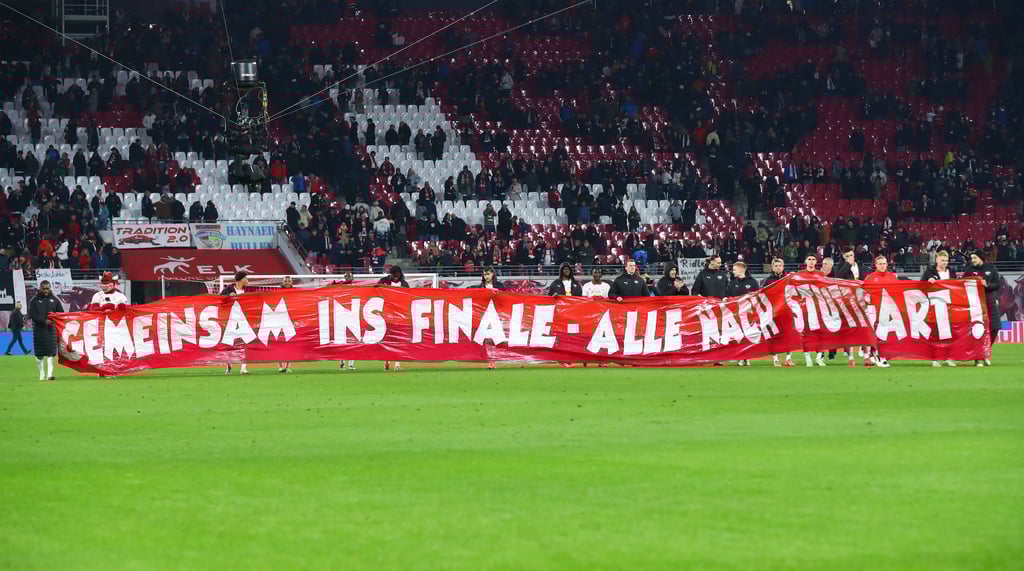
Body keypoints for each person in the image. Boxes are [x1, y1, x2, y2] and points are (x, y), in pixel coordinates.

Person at [921, 251, 958, 367]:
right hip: (934, 307)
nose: (944, 263)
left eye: (946, 260)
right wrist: (928, 282)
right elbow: (920, 286)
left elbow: (957, 286)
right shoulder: (929, 272)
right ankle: (935, 359)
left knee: (949, 334)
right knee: (936, 334)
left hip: (949, 307)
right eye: (942, 260)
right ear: (937, 259)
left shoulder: (952, 272)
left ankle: (948, 357)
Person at [962, 250, 1000, 367]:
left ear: (981, 258)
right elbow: (962, 283)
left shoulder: (991, 268)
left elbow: (997, 284)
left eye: (974, 258)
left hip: (989, 302)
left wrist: (986, 284)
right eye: (971, 258)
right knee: (977, 330)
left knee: (995, 327)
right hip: (975, 304)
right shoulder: (969, 270)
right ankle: (978, 358)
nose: (972, 260)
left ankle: (984, 352)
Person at [833, 247, 870, 366]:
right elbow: (839, 276)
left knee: (864, 327)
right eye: (847, 256)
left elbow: (867, 280)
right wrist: (847, 265)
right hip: (847, 301)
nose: (850, 257)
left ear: (854, 255)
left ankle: (866, 357)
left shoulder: (861, 266)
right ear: (844, 257)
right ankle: (850, 358)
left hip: (861, 300)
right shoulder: (840, 267)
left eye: (851, 255)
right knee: (849, 329)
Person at [863, 256, 899, 368]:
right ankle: (875, 355)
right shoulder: (870, 277)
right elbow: (864, 292)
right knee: (874, 333)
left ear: (887, 264)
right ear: (876, 265)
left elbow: (898, 292)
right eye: (880, 263)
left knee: (885, 334)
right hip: (873, 309)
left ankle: (877, 354)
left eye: (884, 263)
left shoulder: (892, 277)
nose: (882, 265)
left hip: (887, 309)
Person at [547, 263, 583, 368]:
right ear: (561, 271)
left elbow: (580, 298)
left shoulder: (576, 283)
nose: (566, 271)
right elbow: (548, 298)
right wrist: (553, 297)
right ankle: (562, 360)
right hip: (560, 314)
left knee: (572, 336)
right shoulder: (555, 284)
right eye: (564, 269)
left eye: (568, 269)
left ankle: (571, 358)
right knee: (561, 337)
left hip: (574, 314)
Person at [761, 258, 793, 366]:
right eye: (776, 266)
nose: (778, 267)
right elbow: (763, 296)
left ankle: (788, 358)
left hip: (787, 310)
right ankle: (775, 359)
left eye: (780, 265)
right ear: (772, 267)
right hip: (774, 311)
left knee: (789, 334)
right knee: (774, 335)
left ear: (783, 267)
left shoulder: (789, 279)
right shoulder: (767, 280)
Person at [29, 280, 64, 380]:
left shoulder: (54, 300)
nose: (46, 290)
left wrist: (54, 319)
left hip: (50, 330)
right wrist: (44, 321)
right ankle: (41, 373)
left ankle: (49, 374)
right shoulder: (34, 301)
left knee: (50, 353)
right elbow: (33, 315)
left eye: (48, 288)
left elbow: (60, 312)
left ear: (50, 288)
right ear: (40, 288)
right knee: (39, 354)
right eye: (44, 289)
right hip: (39, 330)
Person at [378, 266, 410, 371]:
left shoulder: (404, 284)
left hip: (399, 316)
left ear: (400, 274)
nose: (395, 278)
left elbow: (410, 297)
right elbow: (376, 290)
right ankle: (387, 361)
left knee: (399, 340)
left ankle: (397, 363)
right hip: (386, 315)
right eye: (394, 275)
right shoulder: (384, 281)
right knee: (387, 339)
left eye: (397, 275)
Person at [728, 261, 760, 366]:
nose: (733, 271)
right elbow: (727, 297)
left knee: (748, 336)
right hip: (736, 314)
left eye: (734, 269)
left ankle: (747, 357)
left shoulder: (753, 282)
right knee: (738, 336)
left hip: (749, 314)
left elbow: (758, 296)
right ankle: (740, 357)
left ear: (742, 269)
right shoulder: (732, 283)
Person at [221, 271, 250, 375]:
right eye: (246, 279)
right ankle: (229, 366)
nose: (247, 281)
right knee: (229, 343)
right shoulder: (228, 289)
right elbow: (220, 299)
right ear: (241, 279)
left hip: (243, 320)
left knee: (246, 342)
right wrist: (229, 295)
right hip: (230, 319)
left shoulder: (247, 291)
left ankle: (243, 368)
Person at [581, 269, 610, 368]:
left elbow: (608, 301)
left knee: (602, 337)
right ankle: (586, 359)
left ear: (601, 274)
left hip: (602, 315)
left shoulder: (606, 286)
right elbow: (584, 300)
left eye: (598, 272)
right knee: (588, 336)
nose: (597, 274)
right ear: (592, 274)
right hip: (589, 314)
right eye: (595, 273)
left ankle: (602, 360)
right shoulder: (586, 286)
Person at [479, 267, 504, 370]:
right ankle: (491, 360)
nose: (487, 276)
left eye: (488, 274)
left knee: (497, 338)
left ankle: (494, 359)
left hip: (497, 315)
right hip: (485, 315)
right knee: (488, 338)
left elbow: (505, 298)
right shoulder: (480, 287)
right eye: (485, 274)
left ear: (493, 274)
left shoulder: (499, 286)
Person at [277, 276, 294, 373]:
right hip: (279, 319)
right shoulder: (277, 292)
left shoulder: (296, 292)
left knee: (290, 343)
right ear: (282, 282)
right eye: (285, 281)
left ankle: (287, 366)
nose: (287, 282)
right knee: (278, 343)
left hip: (291, 319)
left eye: (289, 281)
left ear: (292, 282)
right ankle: (280, 366)